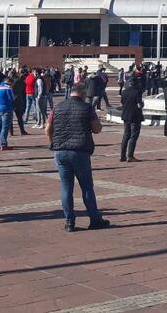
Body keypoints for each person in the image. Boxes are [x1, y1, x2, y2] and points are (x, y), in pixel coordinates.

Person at [46, 82, 110, 232]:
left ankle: (69, 222)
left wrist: (52, 143)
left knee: (66, 187)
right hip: (79, 151)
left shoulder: (58, 107)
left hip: (60, 151)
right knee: (86, 187)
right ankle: (95, 220)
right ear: (82, 93)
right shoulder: (87, 108)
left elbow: (48, 128)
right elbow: (96, 129)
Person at [119, 74, 144, 163]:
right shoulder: (137, 92)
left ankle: (122, 156)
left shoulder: (124, 92)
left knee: (126, 135)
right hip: (135, 116)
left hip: (126, 115)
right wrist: (142, 104)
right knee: (133, 136)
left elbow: (122, 102)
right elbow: (139, 105)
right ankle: (130, 155)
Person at [0, 75, 14, 151]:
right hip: (6, 108)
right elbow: (11, 99)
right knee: (5, 127)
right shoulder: (8, 88)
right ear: (9, 82)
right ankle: (3, 144)